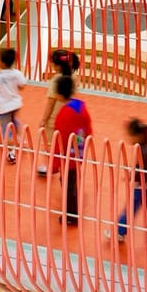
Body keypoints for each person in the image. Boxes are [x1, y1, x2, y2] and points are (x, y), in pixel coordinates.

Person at [49, 71, 92, 225]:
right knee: (72, 180)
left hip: (68, 155)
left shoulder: (63, 114)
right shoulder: (81, 106)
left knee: (68, 184)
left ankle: (72, 215)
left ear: (59, 94)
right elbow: (88, 128)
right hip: (79, 150)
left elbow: (58, 140)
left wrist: (54, 164)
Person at [117, 118, 147, 244]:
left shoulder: (143, 150)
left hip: (143, 185)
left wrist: (132, 177)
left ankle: (120, 231)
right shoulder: (145, 146)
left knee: (132, 208)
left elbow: (142, 169)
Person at [38, 48, 80, 177]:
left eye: (53, 63)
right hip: (69, 115)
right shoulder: (74, 77)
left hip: (55, 117)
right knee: (65, 143)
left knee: (52, 145)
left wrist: (44, 120)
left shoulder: (56, 80)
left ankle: (53, 167)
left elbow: (51, 102)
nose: (51, 65)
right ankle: (62, 166)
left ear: (58, 66)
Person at [0, 46, 26, 164]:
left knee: (6, 129)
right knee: (14, 121)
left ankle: (11, 152)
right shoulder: (17, 73)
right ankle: (19, 139)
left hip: (4, 108)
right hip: (16, 104)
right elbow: (22, 85)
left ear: (2, 63)